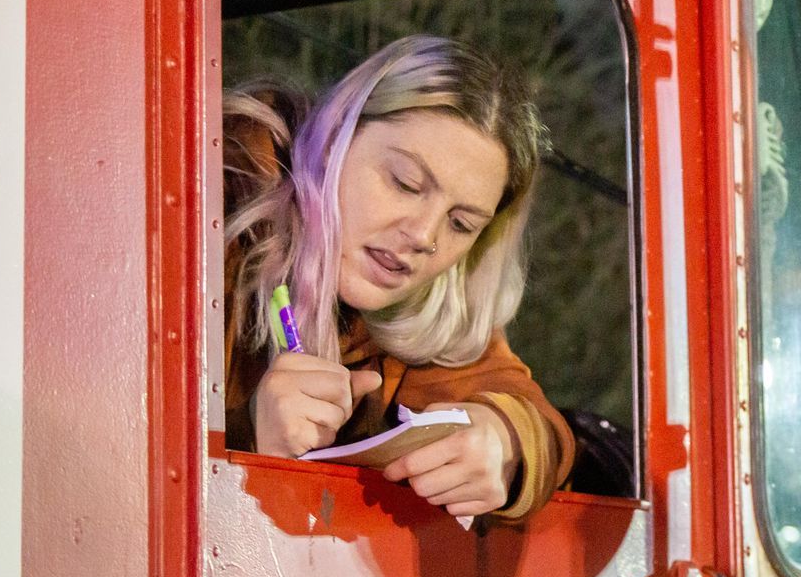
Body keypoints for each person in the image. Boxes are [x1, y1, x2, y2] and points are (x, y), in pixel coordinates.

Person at [222, 34, 573, 522]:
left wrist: (506, 440)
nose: (424, 235)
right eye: (405, 183)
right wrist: (244, 437)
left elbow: (537, 422)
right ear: (335, 139)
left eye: (461, 224)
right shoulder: (212, 218)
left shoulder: (434, 302)